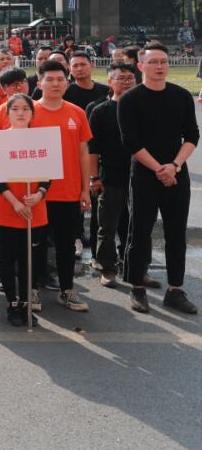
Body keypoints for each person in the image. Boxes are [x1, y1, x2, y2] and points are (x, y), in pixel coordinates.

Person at [119, 43, 198, 314]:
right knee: (139, 231)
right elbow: (131, 142)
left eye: (164, 61)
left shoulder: (182, 96)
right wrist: (158, 169)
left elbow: (192, 136)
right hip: (144, 173)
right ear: (141, 66)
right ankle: (137, 287)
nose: (160, 67)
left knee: (176, 233)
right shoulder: (130, 100)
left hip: (176, 173)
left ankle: (175, 289)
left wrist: (174, 166)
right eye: (153, 62)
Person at [31, 60, 93, 312]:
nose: (56, 84)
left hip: (68, 192)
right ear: (39, 83)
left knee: (66, 244)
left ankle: (67, 290)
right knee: (36, 244)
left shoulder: (76, 113)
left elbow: (83, 153)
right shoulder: (29, 112)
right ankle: (32, 289)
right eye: (50, 79)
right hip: (36, 194)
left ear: (66, 83)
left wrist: (85, 189)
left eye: (60, 79)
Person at [0, 94, 50, 325]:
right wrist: (15, 202)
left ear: (32, 113)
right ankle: (11, 302)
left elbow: (47, 174)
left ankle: (25, 302)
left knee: (29, 259)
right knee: (8, 257)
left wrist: (39, 194)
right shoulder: (0, 140)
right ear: (8, 113)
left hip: (35, 208)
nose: (21, 113)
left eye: (25, 108)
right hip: (8, 207)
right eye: (15, 109)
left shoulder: (41, 139)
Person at [87, 63, 138, 289]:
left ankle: (135, 267)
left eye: (130, 78)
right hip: (110, 176)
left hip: (140, 175)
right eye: (121, 78)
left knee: (136, 225)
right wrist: (94, 178)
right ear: (110, 81)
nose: (126, 82)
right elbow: (92, 149)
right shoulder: (100, 110)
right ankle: (107, 267)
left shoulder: (141, 108)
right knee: (107, 225)